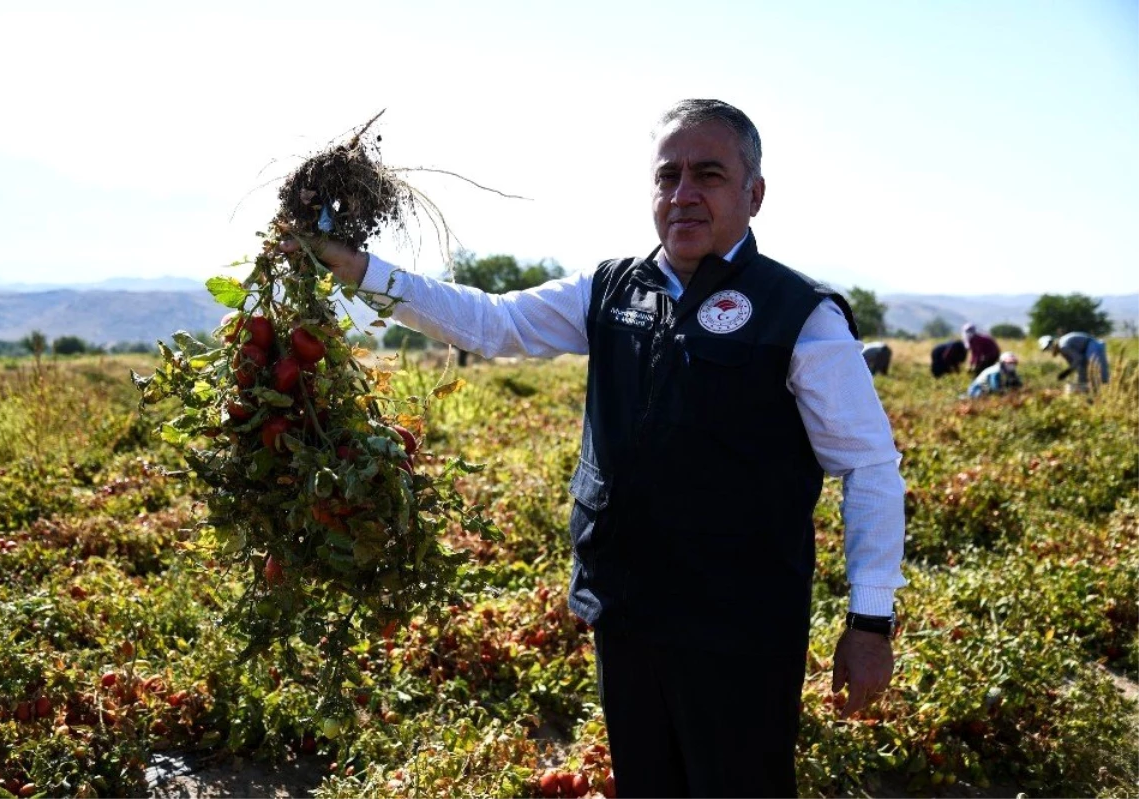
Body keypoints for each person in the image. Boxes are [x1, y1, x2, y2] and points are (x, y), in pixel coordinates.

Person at [283, 99, 906, 798]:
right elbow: (490, 323)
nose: (684, 194)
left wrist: (869, 621)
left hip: (739, 631)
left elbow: (869, 467)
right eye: (668, 176)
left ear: (754, 194)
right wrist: (360, 269)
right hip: (628, 615)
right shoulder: (610, 289)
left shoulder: (800, 313)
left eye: (709, 174)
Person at [1039, 332, 1110, 389]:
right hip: (1087, 349)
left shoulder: (1063, 346)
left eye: (1048, 348)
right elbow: (1075, 363)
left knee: (1100, 372)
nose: (1050, 350)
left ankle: (1107, 393)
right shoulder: (1062, 348)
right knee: (1082, 373)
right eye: (1047, 350)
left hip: (1092, 346)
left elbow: (1079, 359)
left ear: (1052, 343)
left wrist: (1067, 372)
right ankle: (1086, 392)